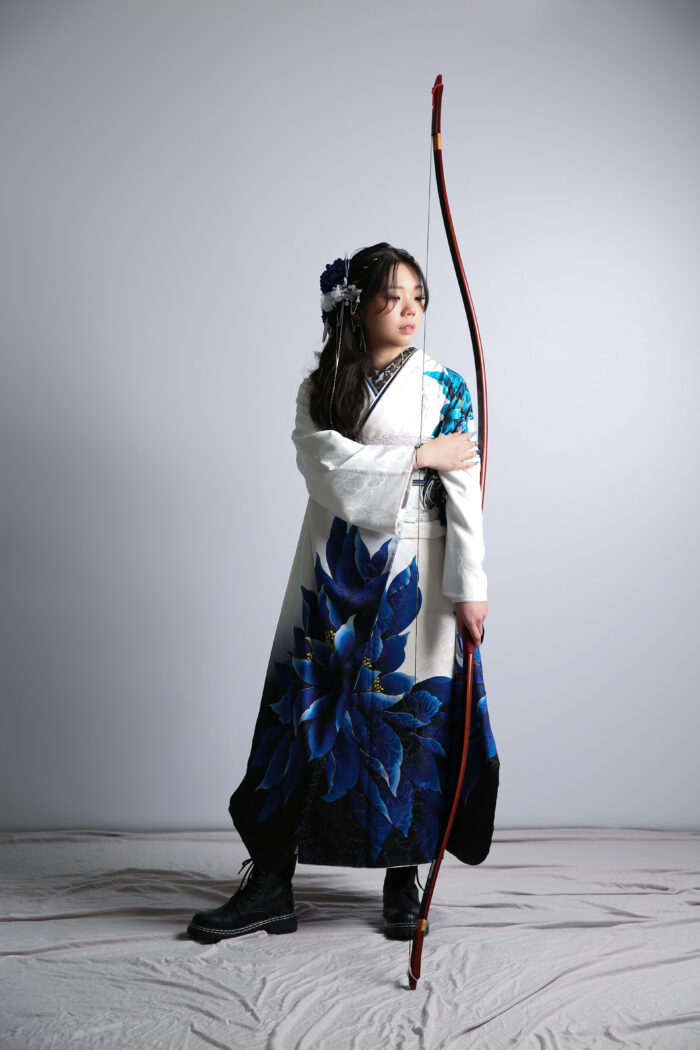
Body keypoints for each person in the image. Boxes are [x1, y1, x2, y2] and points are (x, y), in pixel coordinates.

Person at [187, 243, 499, 944]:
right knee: (305, 711)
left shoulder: (446, 385)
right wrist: (419, 454)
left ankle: (402, 879)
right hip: (332, 564)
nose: (410, 309)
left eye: (418, 297)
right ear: (355, 306)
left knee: (408, 724)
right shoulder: (323, 387)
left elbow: (463, 495)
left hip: (420, 568)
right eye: (393, 296)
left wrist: (471, 586)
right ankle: (271, 885)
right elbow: (325, 468)